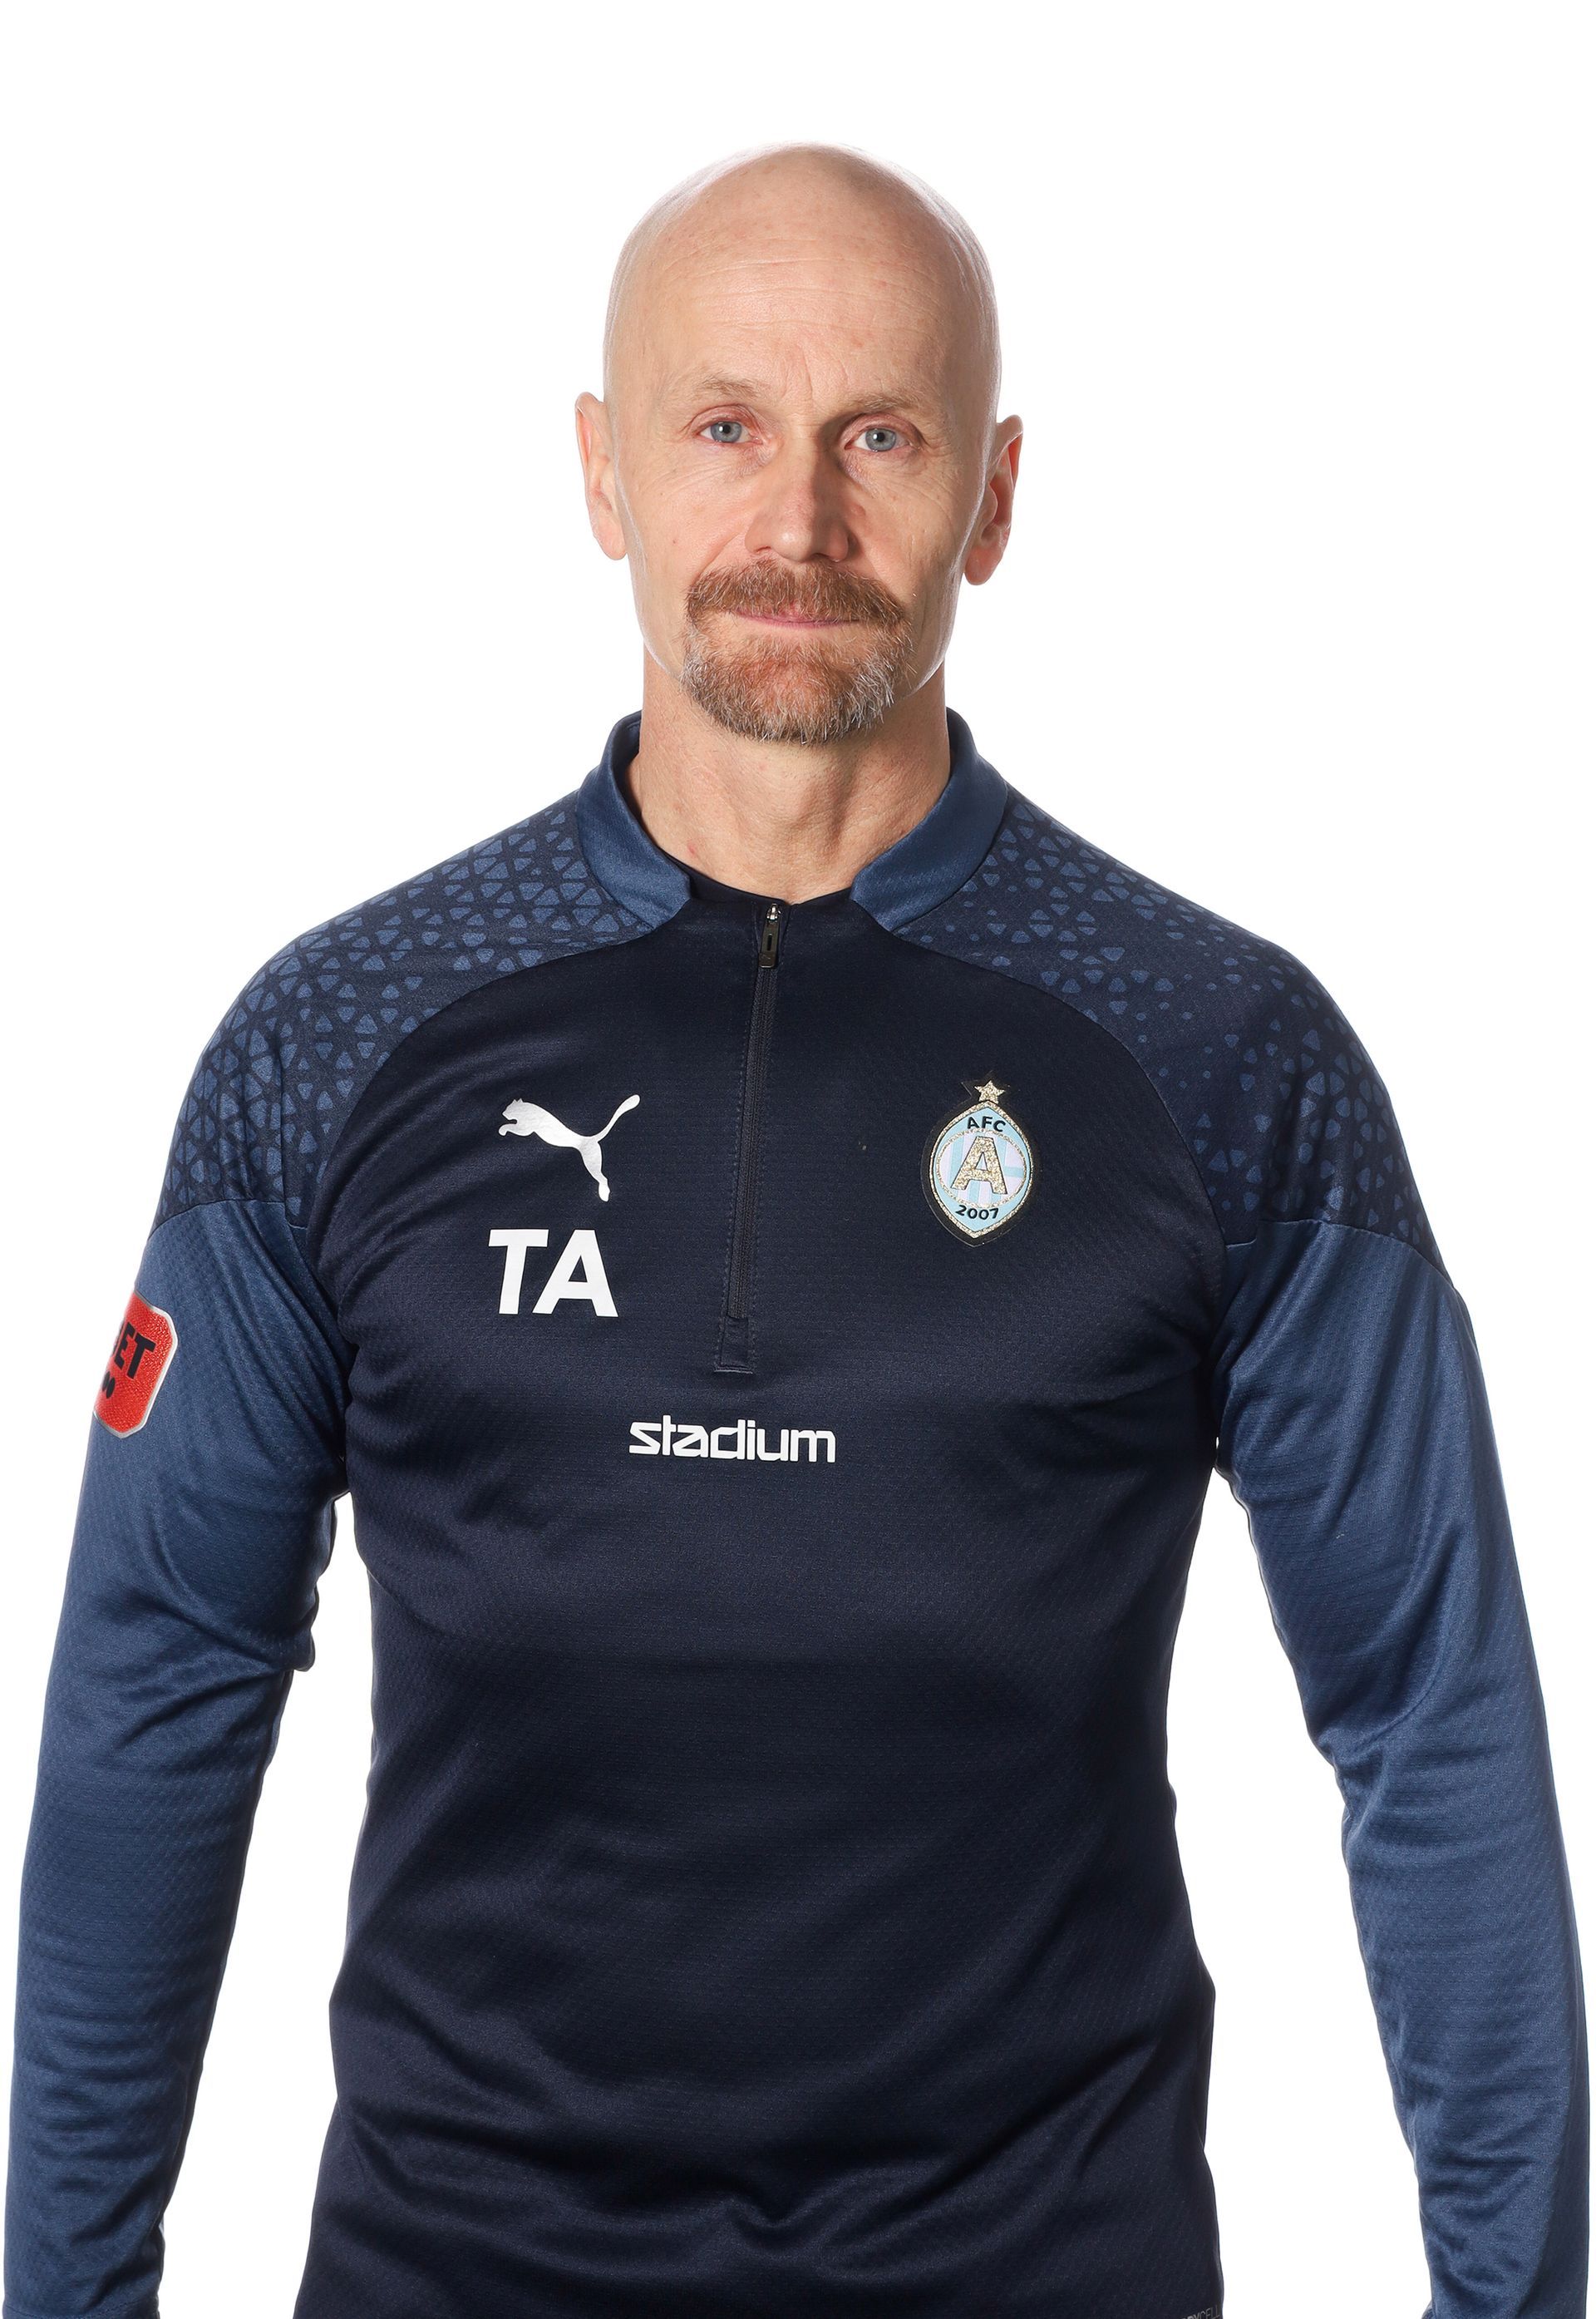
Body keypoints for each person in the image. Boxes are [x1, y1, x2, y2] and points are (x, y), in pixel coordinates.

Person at [5, 140, 1586, 2319]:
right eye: (726, 428)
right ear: (603, 471)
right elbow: (154, 1691)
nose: (802, 524)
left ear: (996, 497)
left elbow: (1431, 1713)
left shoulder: (1222, 1056)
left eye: (884, 438)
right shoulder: (337, 1045)